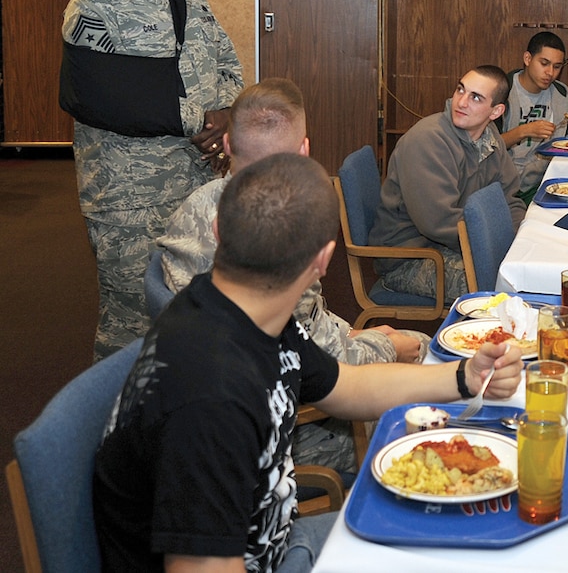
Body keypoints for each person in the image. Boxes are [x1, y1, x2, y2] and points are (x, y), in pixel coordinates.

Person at [94, 153, 524, 572]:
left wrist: (464, 377)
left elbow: (347, 386)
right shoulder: (211, 399)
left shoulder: (244, 309)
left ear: (218, 230)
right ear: (322, 261)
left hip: (277, 539)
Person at [156, 78, 429, 473]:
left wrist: (354, 334)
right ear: (305, 150)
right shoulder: (282, 227)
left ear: (229, 145)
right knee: (424, 398)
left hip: (203, 406)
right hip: (274, 428)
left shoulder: (199, 204)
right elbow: (312, 363)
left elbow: (307, 327)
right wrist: (388, 347)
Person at [60, 0, 244, 360]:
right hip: (128, 201)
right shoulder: (97, 1)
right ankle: (116, 429)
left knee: (191, 314)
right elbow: (101, 97)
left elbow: (228, 63)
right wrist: (200, 121)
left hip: (195, 186)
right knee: (131, 330)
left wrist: (225, 113)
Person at [371, 65, 526, 305]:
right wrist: (497, 247)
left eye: (475, 98)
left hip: (460, 243)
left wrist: (518, 241)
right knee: (511, 288)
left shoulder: (489, 136)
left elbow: (509, 199)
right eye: (460, 90)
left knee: (526, 270)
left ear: (495, 112)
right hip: (411, 257)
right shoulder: (428, 140)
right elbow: (439, 223)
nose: (462, 102)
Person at [499, 31, 568, 203]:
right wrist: (524, 131)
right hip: (504, 186)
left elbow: (562, 145)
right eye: (544, 63)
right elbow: (486, 147)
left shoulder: (561, 95)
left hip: (543, 182)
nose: (550, 73)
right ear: (527, 59)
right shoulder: (503, 90)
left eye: (557, 67)